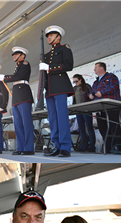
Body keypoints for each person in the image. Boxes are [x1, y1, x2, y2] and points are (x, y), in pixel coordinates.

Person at [41, 25, 74, 157]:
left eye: (51, 35)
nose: (49, 38)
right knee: (53, 119)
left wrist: (49, 67)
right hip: (49, 89)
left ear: (58, 37)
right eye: (48, 36)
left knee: (62, 118)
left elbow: (68, 65)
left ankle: (65, 146)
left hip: (60, 86)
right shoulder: (46, 55)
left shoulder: (64, 48)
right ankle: (57, 145)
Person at [5, 46, 35, 155]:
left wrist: (5, 77)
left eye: (17, 54)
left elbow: (17, 77)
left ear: (22, 56)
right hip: (17, 97)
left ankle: (29, 148)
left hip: (23, 95)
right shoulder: (17, 67)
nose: (14, 56)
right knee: (17, 124)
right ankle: (21, 147)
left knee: (26, 123)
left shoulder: (25, 64)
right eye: (14, 55)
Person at [90, 62, 121, 152]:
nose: (94, 69)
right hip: (100, 109)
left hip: (112, 107)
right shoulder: (95, 82)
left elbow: (114, 87)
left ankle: (120, 147)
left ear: (102, 68)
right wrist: (91, 95)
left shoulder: (111, 77)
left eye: (96, 67)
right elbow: (92, 91)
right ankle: (108, 147)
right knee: (102, 128)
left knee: (114, 128)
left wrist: (102, 92)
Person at [72, 74, 95, 152]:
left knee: (89, 128)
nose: (75, 83)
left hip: (86, 109)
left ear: (81, 79)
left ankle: (92, 146)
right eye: (74, 81)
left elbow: (91, 97)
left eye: (76, 81)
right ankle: (83, 146)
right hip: (78, 110)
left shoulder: (87, 86)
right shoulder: (74, 88)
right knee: (81, 129)